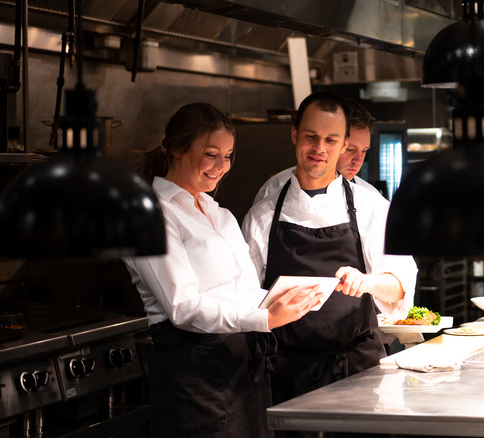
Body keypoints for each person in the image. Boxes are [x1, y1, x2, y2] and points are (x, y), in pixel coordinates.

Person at [122, 102, 323, 438]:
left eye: (228, 156)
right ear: (175, 148)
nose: (221, 166)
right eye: (211, 154)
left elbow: (242, 293)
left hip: (245, 371)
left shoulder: (221, 215)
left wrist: (286, 296)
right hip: (195, 376)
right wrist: (265, 318)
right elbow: (182, 307)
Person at [241, 92, 418, 421]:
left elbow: (400, 287)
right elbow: (244, 298)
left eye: (331, 140)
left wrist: (367, 282)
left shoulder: (370, 207)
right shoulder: (263, 215)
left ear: (343, 143)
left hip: (357, 372)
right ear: (295, 135)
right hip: (284, 373)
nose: (319, 148)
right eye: (311, 137)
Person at [251, 99, 381, 204]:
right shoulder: (274, 188)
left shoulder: (371, 198)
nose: (358, 161)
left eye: (364, 151)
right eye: (350, 149)